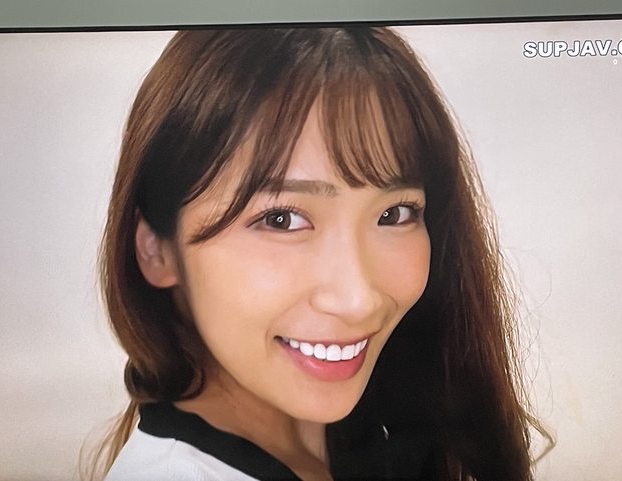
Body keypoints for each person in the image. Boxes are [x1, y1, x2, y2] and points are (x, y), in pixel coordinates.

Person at [89, 26, 549, 481]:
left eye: (394, 214)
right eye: (281, 219)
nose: (359, 301)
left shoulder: (390, 428)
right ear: (156, 249)